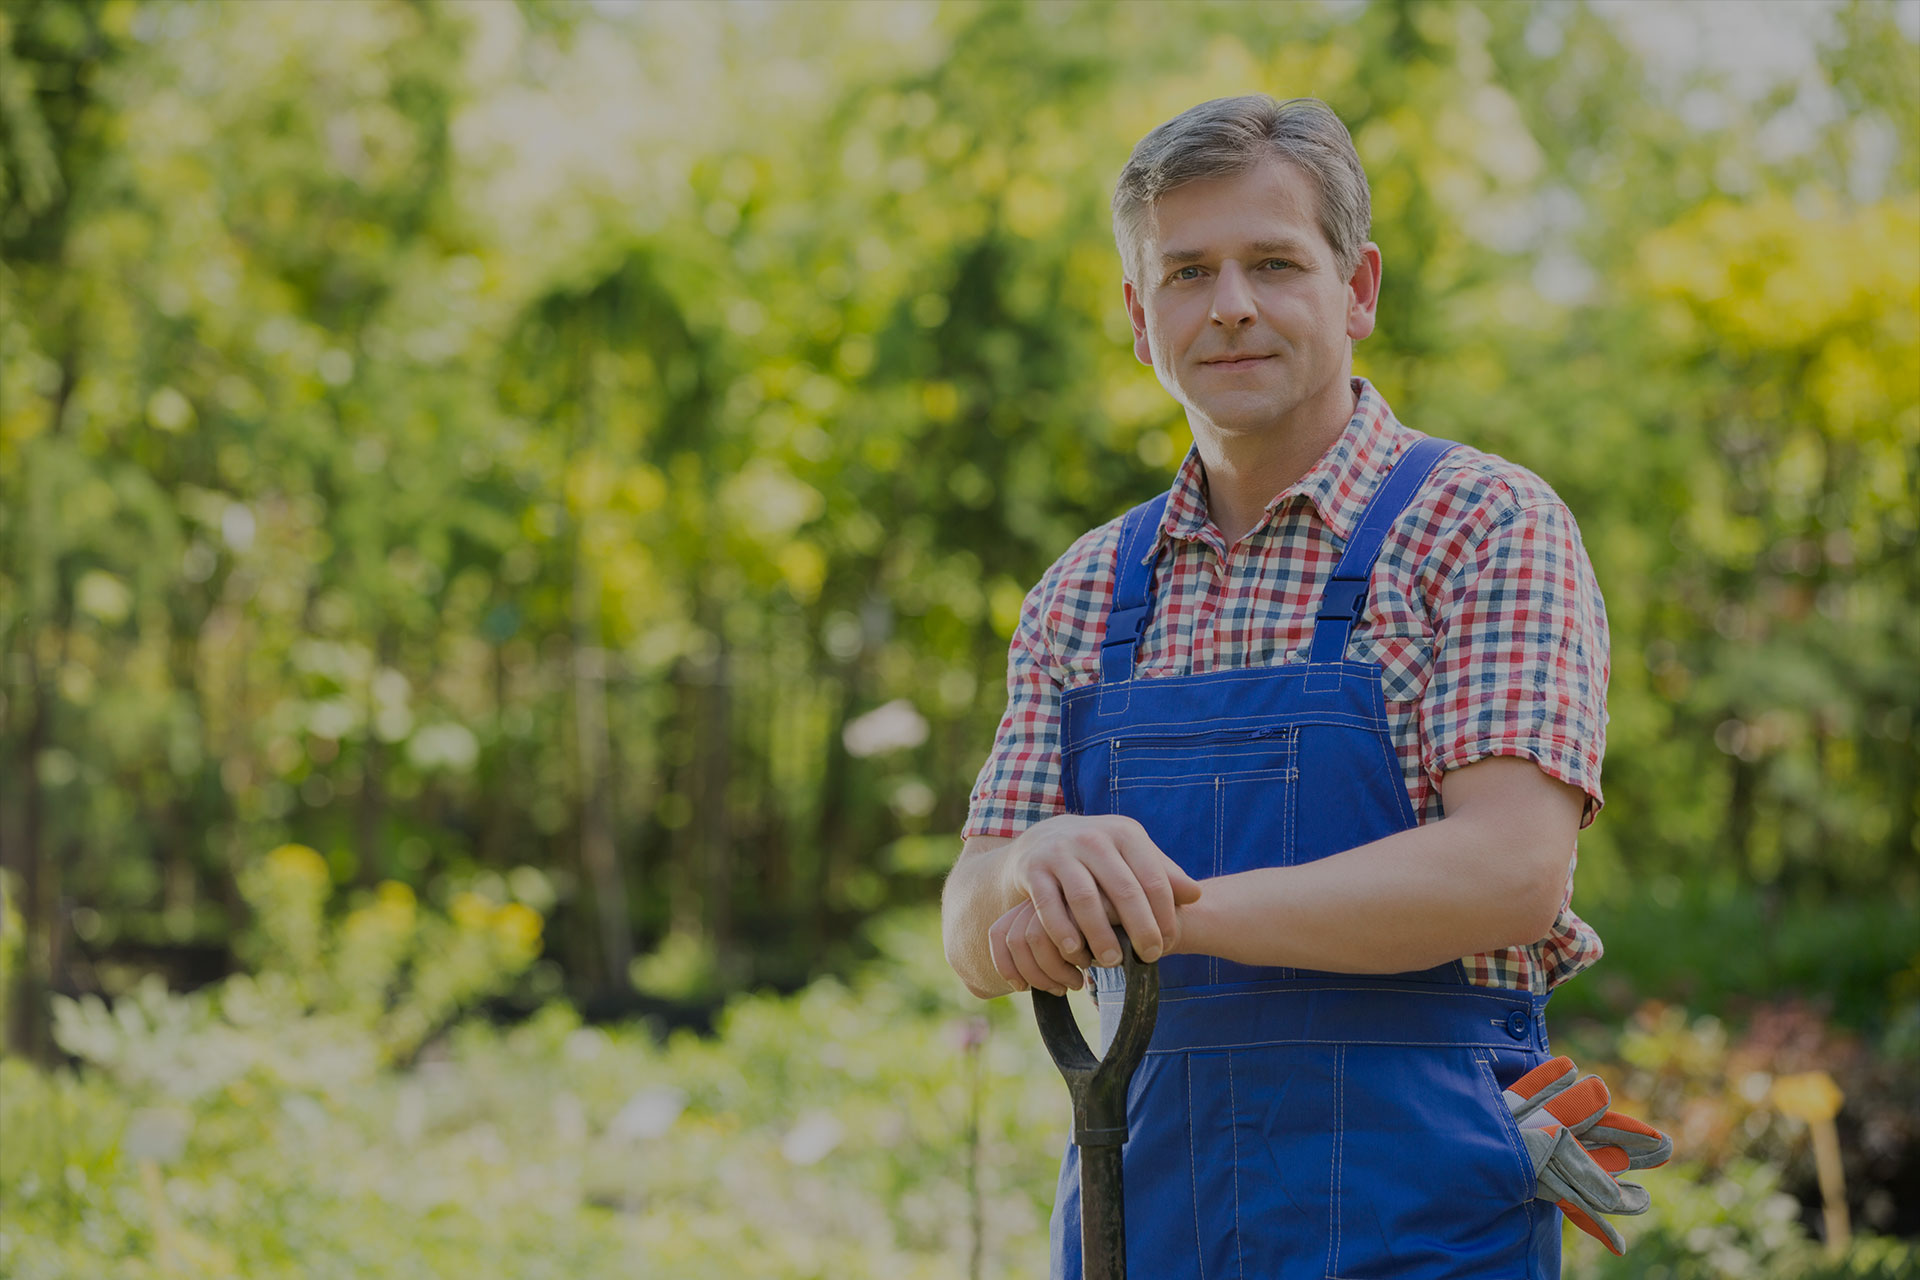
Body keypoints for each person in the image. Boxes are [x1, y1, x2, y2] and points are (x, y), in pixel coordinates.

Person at [940, 96, 1664, 1279]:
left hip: (1421, 1224)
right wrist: (1032, 864)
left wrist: (1157, 912)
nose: (1229, 303)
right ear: (1140, 314)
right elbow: (974, 922)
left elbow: (1509, 872)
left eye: (1273, 261)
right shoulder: (1084, 591)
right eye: (1187, 271)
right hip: (1143, 1220)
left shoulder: (1481, 527)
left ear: (1358, 288)